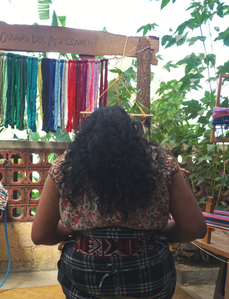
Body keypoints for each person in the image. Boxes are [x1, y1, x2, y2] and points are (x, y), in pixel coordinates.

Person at [31, 106, 207, 299]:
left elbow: (40, 236)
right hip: (150, 279)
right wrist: (162, 229)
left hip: (84, 278)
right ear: (132, 132)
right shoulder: (161, 163)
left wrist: (68, 229)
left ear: (86, 135)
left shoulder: (65, 166)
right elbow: (195, 229)